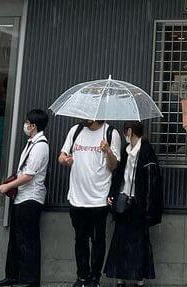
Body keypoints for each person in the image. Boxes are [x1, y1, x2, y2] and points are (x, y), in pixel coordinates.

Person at [59, 117, 122, 287]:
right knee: (80, 239)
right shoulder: (75, 130)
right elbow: (62, 155)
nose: (83, 116)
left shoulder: (111, 133)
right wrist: (65, 160)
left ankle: (95, 277)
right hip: (76, 197)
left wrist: (107, 150)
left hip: (99, 198)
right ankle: (82, 276)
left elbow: (114, 166)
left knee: (97, 239)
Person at [0, 109, 51, 287]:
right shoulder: (32, 143)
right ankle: (13, 276)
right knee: (16, 239)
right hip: (22, 197)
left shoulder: (41, 145)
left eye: (27, 122)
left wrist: (7, 186)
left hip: (31, 198)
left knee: (28, 240)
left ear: (33, 125)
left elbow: (28, 175)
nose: (25, 125)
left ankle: (29, 279)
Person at [106, 121, 163, 286]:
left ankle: (139, 278)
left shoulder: (146, 150)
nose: (125, 135)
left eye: (126, 132)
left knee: (138, 242)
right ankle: (120, 276)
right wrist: (113, 194)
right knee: (120, 240)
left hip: (138, 204)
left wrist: (150, 208)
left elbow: (153, 181)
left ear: (129, 131)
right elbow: (119, 175)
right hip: (124, 200)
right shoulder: (127, 150)